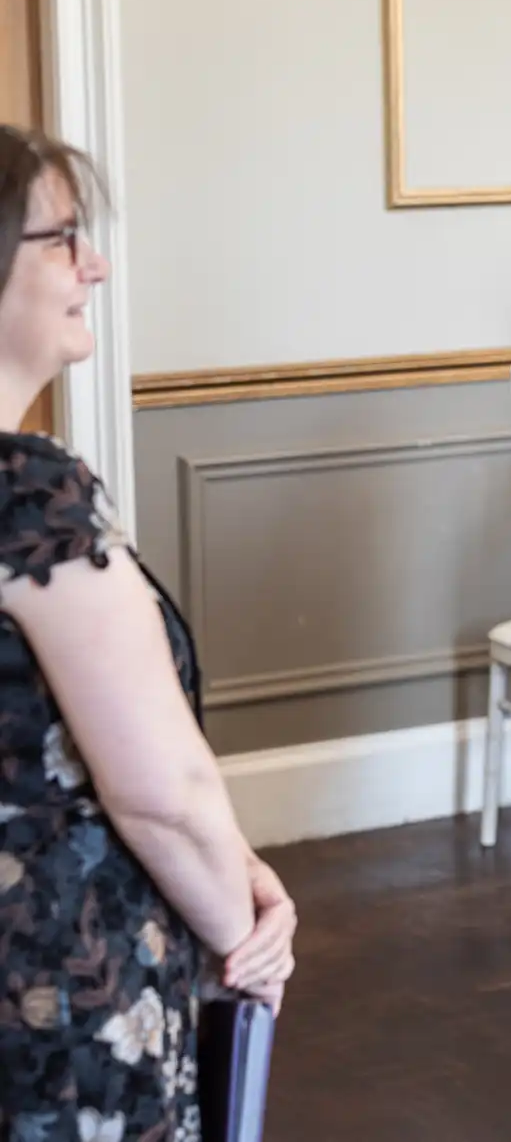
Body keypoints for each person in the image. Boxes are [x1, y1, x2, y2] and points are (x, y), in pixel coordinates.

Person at [0, 126, 296, 1137]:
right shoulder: (28, 493)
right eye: (59, 239)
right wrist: (247, 930)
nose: (95, 264)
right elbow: (161, 794)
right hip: (50, 982)